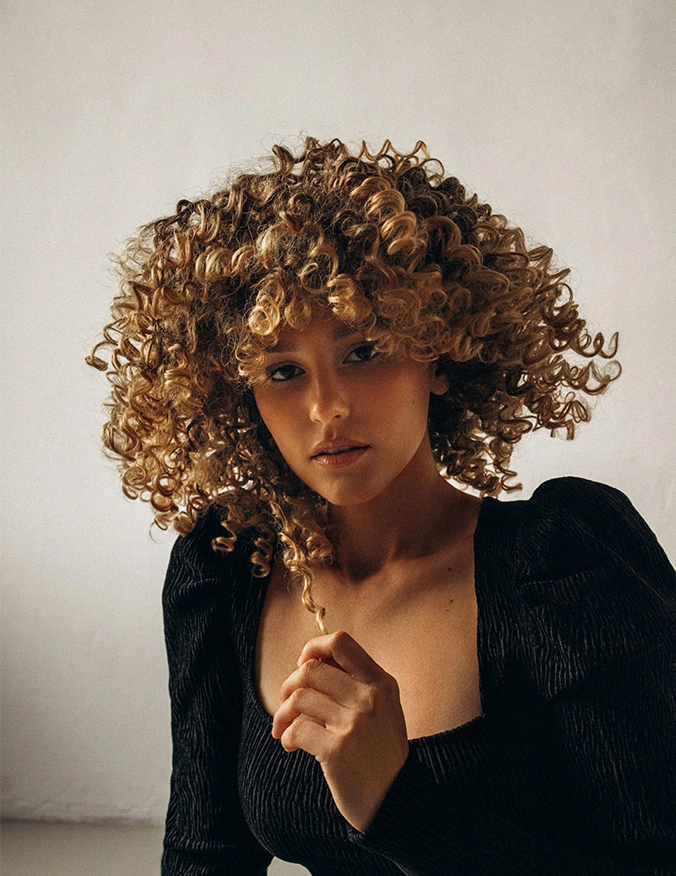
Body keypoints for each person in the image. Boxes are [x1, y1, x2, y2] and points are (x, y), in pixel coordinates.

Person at [88, 138, 676, 875]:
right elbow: (204, 855)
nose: (326, 407)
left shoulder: (567, 563)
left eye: (364, 352)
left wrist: (397, 805)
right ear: (240, 396)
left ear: (440, 351)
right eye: (282, 370)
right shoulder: (228, 568)